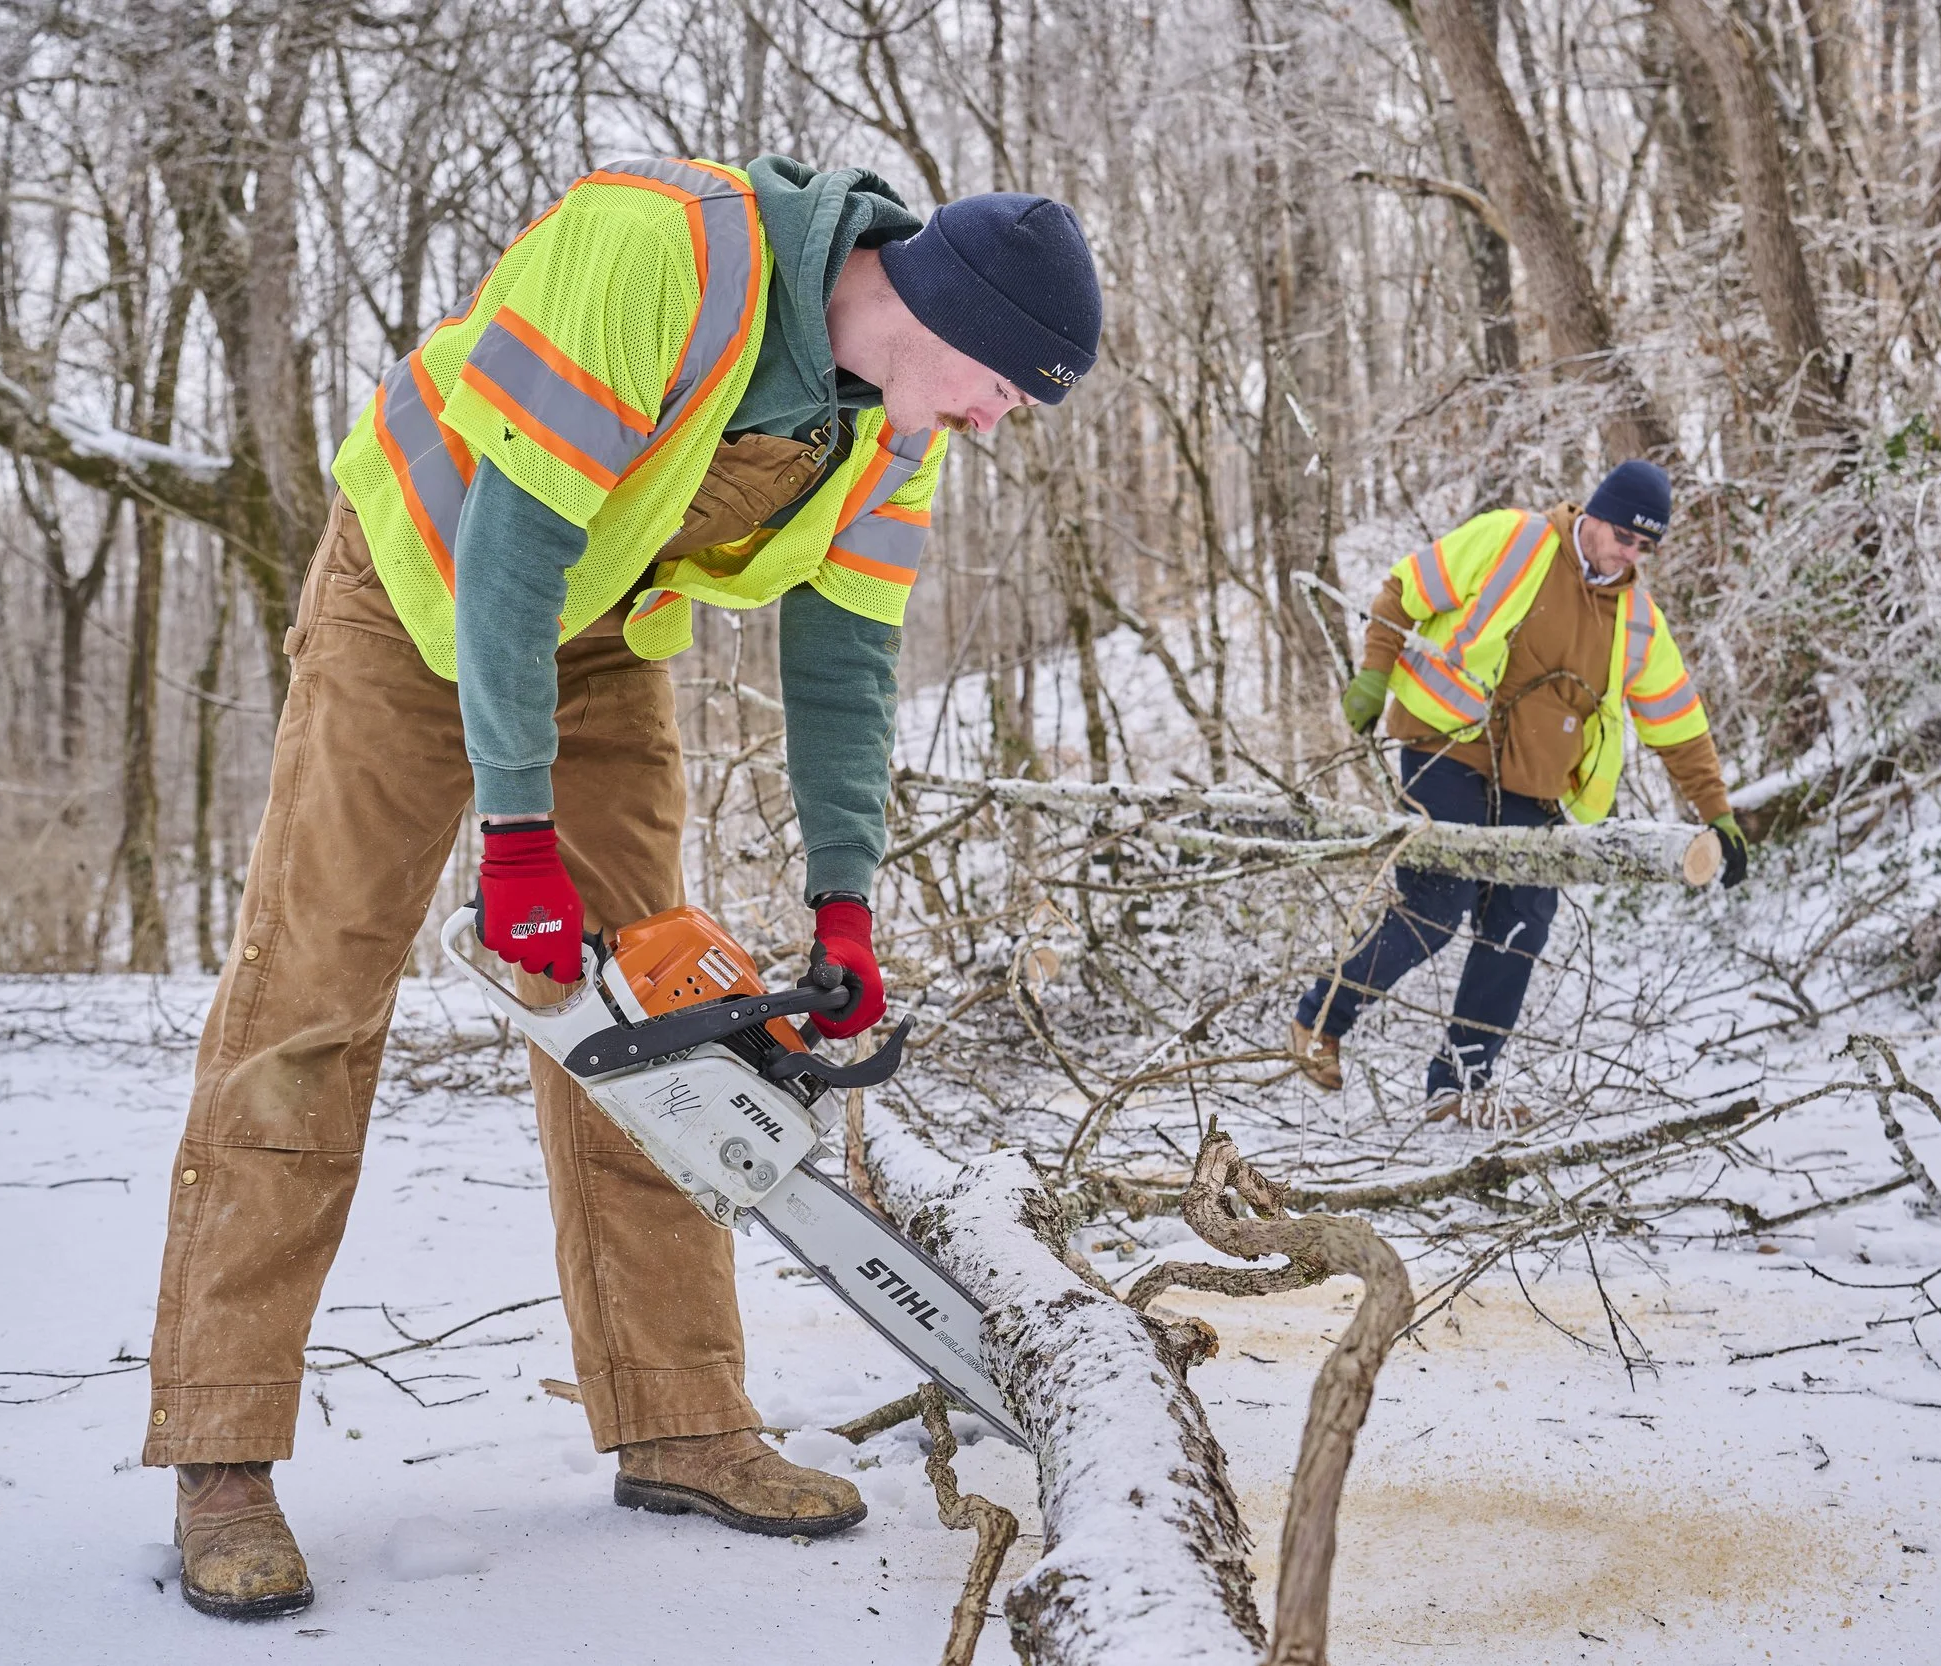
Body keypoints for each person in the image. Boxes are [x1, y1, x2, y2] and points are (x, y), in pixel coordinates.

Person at [142, 153, 1100, 1621]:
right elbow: (509, 550)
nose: (1000, 419)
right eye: (1008, 389)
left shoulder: (900, 430)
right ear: (947, 309)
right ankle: (220, 1446)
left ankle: (679, 1412)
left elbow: (845, 653)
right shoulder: (663, 251)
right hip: (424, 582)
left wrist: (844, 895)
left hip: (599, 627)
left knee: (665, 1018)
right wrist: (514, 834)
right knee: (314, 993)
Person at [1286, 461, 1747, 1128]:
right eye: (1624, 537)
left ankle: (1459, 1088)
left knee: (1522, 924)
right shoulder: (1512, 539)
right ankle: (1319, 1023)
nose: (1630, 555)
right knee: (1437, 905)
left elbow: (1679, 726)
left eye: (1646, 548)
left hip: (1535, 784)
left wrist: (1719, 816)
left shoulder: (1638, 622)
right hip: (1447, 748)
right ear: (1593, 514)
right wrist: (1373, 676)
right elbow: (1401, 592)